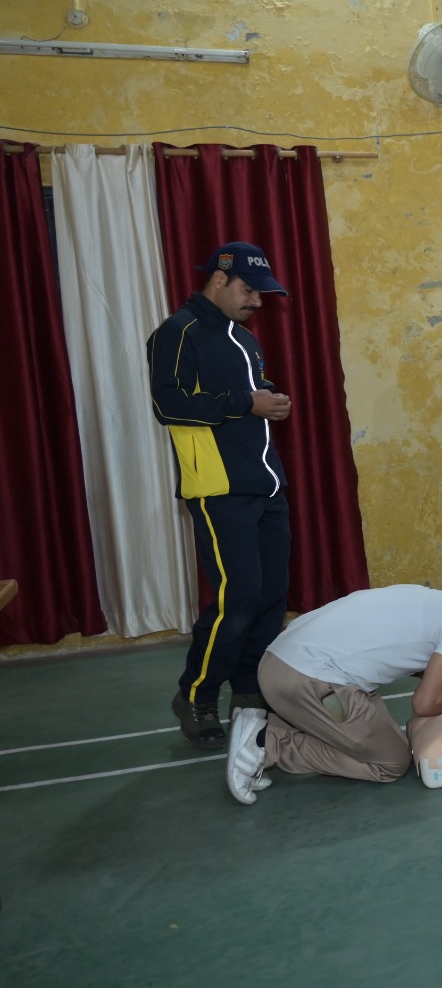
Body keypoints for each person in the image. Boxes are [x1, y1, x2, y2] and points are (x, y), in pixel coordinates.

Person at [147, 242, 293, 751]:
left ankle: (250, 692)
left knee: (271, 596)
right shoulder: (178, 332)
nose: (256, 301)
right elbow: (167, 404)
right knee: (239, 598)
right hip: (218, 489)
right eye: (248, 290)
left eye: (261, 293)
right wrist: (245, 403)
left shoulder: (244, 338)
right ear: (218, 280)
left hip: (266, 485)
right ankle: (197, 695)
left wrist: (270, 399)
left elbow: (249, 395)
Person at [225, 585, 442, 804]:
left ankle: (263, 727)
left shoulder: (431, 602)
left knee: (365, 722)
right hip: (310, 681)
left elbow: (398, 653)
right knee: (392, 761)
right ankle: (267, 741)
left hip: (276, 667)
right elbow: (424, 704)